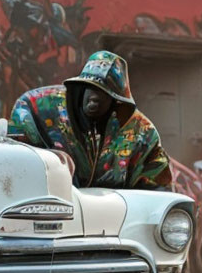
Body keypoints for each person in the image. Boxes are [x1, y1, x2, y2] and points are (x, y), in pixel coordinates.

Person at [9, 50, 172, 190]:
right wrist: (47, 159)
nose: (95, 97)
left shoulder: (141, 131)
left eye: (104, 92)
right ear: (80, 88)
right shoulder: (35, 106)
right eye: (90, 87)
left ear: (116, 102)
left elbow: (158, 189)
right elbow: (12, 162)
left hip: (113, 218)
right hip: (45, 209)